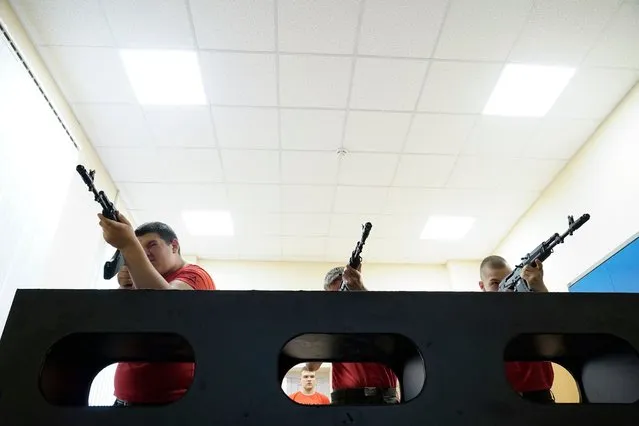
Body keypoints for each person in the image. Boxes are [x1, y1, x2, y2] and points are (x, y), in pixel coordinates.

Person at [98, 213, 215, 405]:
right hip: (124, 399)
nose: (145, 253)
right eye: (140, 247)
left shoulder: (195, 275)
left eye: (152, 245)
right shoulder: (142, 279)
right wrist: (125, 286)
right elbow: (119, 323)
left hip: (169, 403)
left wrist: (129, 246)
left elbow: (166, 309)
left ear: (174, 246)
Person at [306, 265, 399, 405]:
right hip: (345, 402)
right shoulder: (331, 323)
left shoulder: (376, 312)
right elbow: (311, 365)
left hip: (384, 399)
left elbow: (393, 323)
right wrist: (327, 324)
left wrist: (361, 291)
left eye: (345, 292)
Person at [478, 255, 555, 403]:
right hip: (503, 398)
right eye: (495, 283)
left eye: (507, 281)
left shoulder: (528, 306)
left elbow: (557, 324)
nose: (504, 288)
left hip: (540, 396)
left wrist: (541, 289)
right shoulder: (480, 317)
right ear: (482, 286)